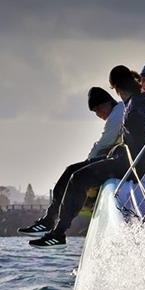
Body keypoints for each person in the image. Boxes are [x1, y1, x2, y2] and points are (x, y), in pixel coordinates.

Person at [28, 66, 145, 248]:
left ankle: (58, 233)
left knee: (78, 178)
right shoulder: (133, 101)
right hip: (123, 158)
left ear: (116, 87)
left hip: (132, 164)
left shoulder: (138, 102)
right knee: (72, 170)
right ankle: (50, 221)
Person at [18, 87, 124, 237]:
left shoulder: (116, 115)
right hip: (114, 156)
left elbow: (104, 143)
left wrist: (88, 161)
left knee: (75, 176)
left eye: (98, 110)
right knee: (70, 171)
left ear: (107, 103)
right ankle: (49, 220)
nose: (99, 115)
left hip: (118, 160)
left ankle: (56, 226)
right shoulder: (118, 111)